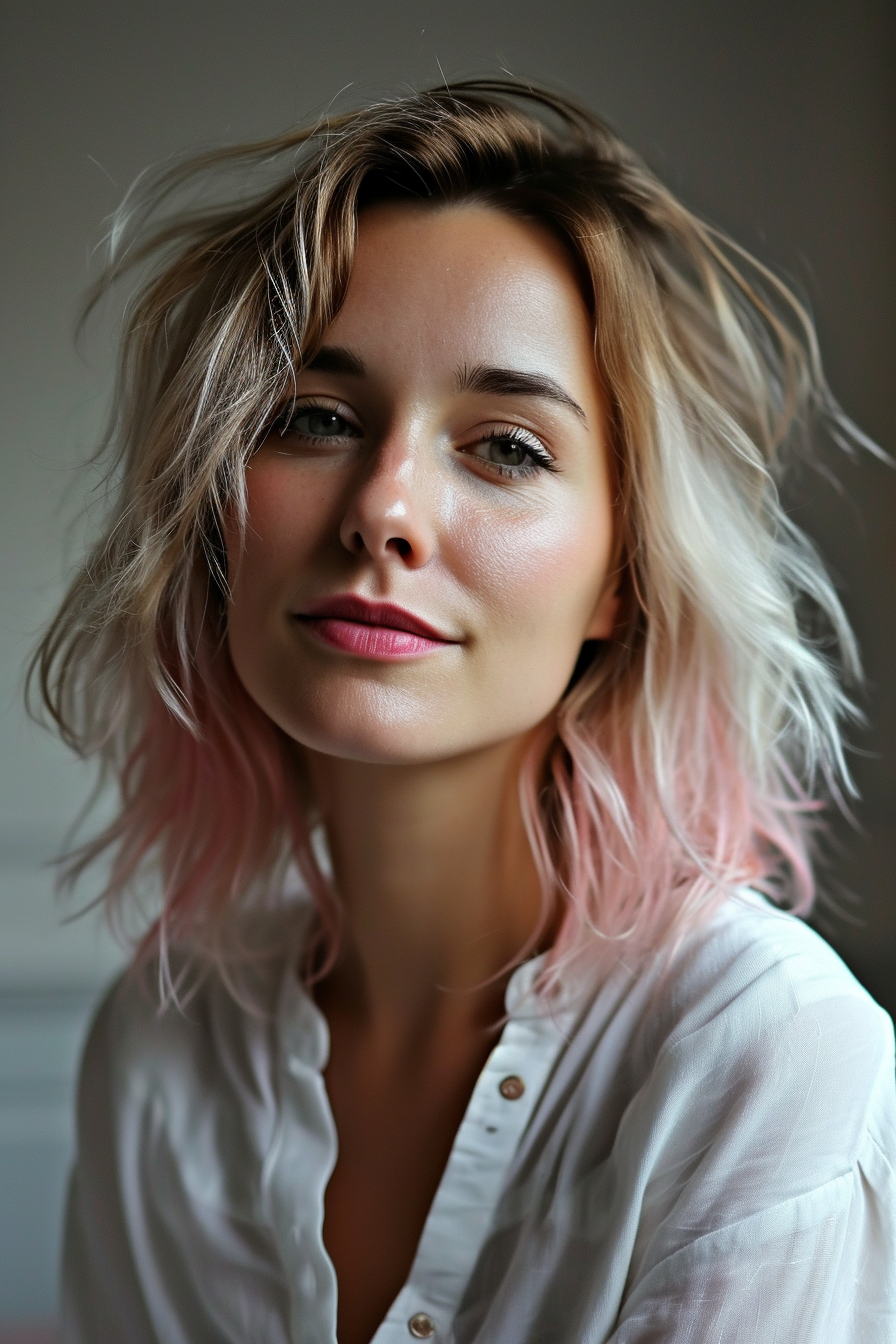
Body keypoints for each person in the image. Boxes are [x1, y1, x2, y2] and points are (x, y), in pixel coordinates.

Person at [34, 80, 894, 1342]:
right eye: (315, 418)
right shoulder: (165, 1049)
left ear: (622, 574)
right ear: (219, 522)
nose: (383, 506)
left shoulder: (765, 1058)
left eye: (505, 448)